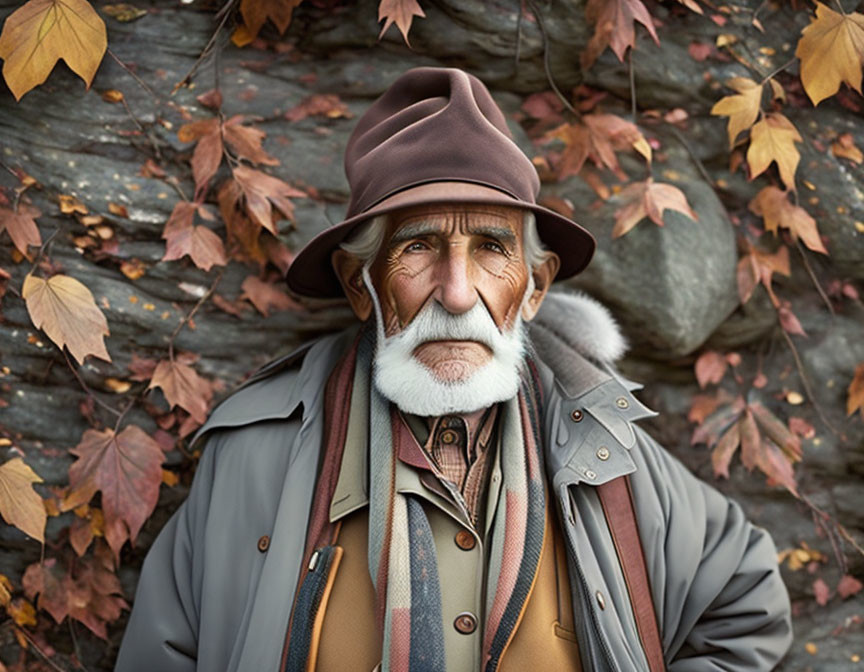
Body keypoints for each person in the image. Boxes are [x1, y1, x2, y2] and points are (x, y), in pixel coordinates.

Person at [114, 67, 793, 672]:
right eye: (419, 247)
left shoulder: (608, 453)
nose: (458, 292)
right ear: (361, 284)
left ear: (533, 287)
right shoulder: (254, 459)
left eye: (493, 248)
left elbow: (746, 602)